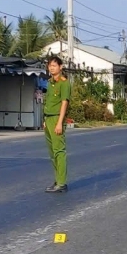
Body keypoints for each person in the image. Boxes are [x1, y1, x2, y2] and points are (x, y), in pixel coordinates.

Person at [43, 55, 71, 192]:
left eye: (54, 65)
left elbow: (64, 103)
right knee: (52, 153)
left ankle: (62, 183)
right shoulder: (49, 82)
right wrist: (45, 120)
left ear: (60, 67)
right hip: (48, 118)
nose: (51, 68)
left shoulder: (64, 83)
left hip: (56, 119)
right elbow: (48, 101)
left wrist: (59, 123)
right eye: (50, 66)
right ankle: (57, 179)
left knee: (59, 151)